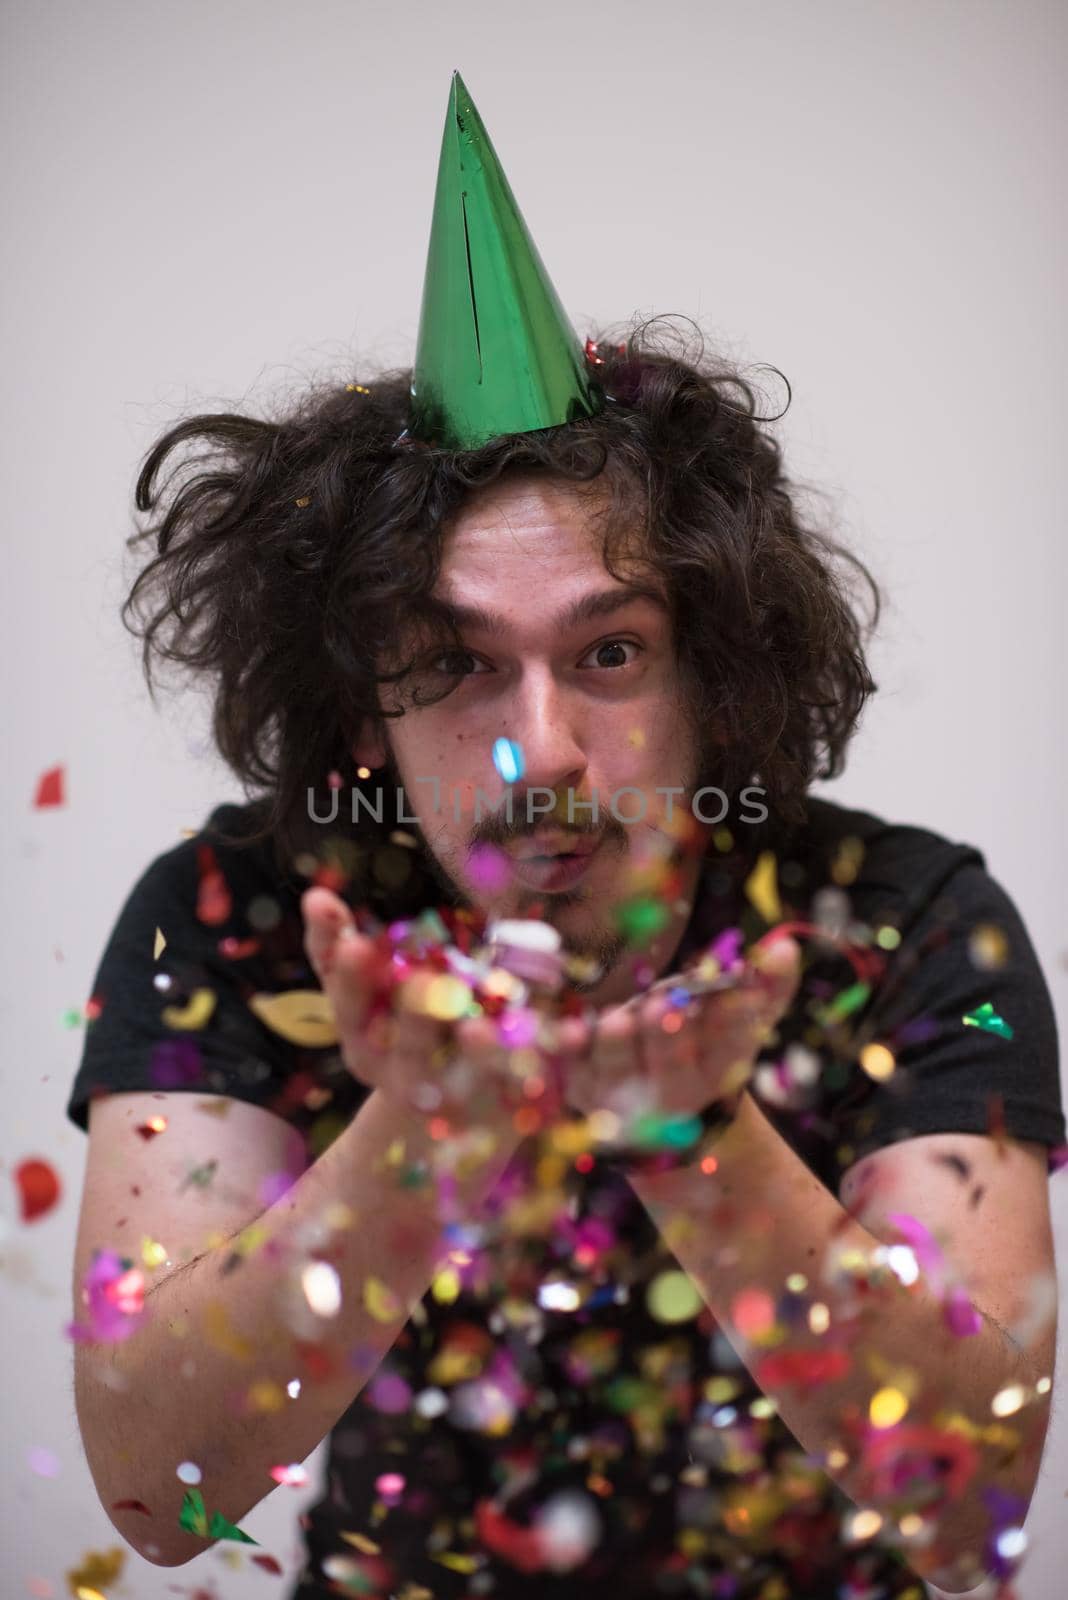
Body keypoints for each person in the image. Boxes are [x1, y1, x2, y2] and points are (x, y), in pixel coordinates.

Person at [67, 72, 1063, 1600]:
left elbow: (970, 1501)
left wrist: (690, 1133)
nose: (542, 752)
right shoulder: (236, 914)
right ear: (361, 716)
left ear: (712, 680)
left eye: (607, 652)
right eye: (460, 662)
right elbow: (156, 1492)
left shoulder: (909, 922)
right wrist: (419, 1131)